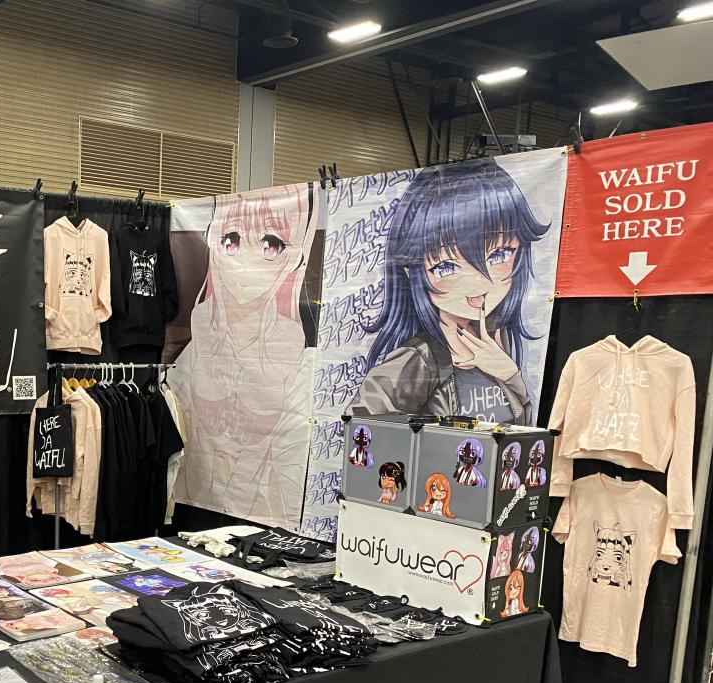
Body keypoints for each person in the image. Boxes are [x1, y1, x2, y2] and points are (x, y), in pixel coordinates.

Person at [352, 159, 549, 425]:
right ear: (413, 272)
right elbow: (363, 429)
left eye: (499, 254)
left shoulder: (496, 343)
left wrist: (510, 375)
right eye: (446, 267)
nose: (479, 284)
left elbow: (517, 430)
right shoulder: (419, 360)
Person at [175, 183, 318, 526]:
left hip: (262, 521)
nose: (246, 261)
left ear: (295, 255)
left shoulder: (298, 358)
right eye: (231, 240)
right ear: (212, 242)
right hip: (192, 513)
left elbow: (295, 466)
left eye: (271, 244)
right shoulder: (197, 339)